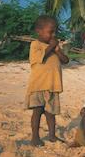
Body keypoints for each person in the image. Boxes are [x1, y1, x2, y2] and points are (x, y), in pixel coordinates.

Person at [25, 15, 69, 146]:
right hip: (38, 85)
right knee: (37, 112)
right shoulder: (35, 45)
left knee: (51, 113)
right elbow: (41, 58)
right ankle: (35, 137)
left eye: (55, 31)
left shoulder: (54, 47)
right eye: (50, 32)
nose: (53, 34)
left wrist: (57, 49)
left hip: (52, 86)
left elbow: (66, 60)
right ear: (39, 31)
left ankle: (52, 135)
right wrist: (51, 47)